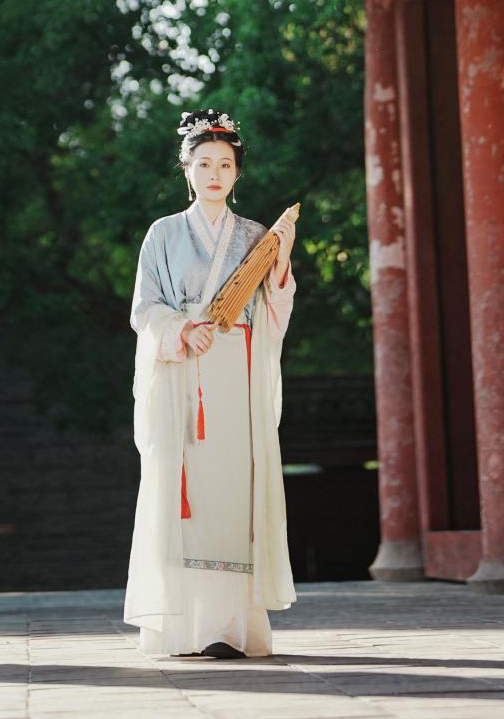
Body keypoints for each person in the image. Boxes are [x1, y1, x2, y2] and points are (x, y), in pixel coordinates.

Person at [124, 108, 297, 658]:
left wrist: (283, 260)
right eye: (204, 163)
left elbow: (273, 303)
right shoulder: (163, 234)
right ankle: (184, 627)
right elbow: (144, 307)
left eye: (225, 164)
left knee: (233, 492)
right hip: (183, 374)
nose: (215, 173)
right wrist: (179, 332)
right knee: (186, 495)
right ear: (187, 170)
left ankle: (229, 627)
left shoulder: (254, 236)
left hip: (236, 376)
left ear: (238, 174)